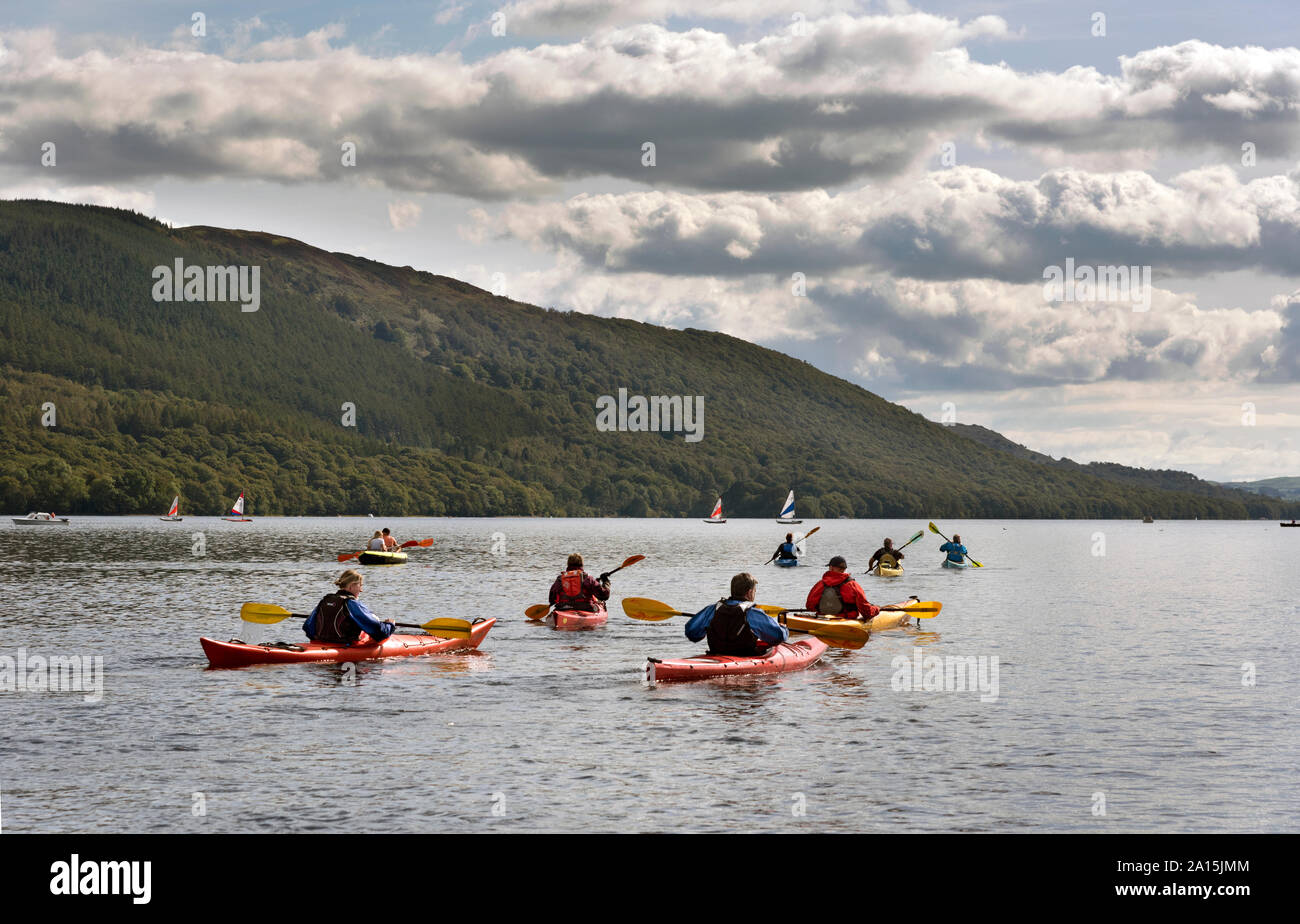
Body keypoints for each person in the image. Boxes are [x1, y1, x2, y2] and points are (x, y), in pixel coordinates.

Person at [684, 572, 788, 656]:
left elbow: (691, 633)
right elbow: (778, 636)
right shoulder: (752, 612)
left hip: (716, 655)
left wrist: (706, 630)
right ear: (749, 592)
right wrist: (783, 628)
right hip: (744, 658)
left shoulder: (712, 609)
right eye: (754, 591)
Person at [303, 570, 396, 645]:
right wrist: (390, 625)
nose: (361, 590)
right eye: (360, 585)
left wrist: (320, 640)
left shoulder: (325, 600)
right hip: (344, 645)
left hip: (320, 642)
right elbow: (378, 630)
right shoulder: (351, 603)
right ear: (351, 586)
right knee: (374, 634)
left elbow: (308, 627)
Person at [806, 556, 879, 620]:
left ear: (831, 567)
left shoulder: (819, 584)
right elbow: (866, 612)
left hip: (822, 618)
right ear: (844, 569)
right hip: (845, 620)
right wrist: (876, 609)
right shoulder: (853, 585)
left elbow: (809, 606)